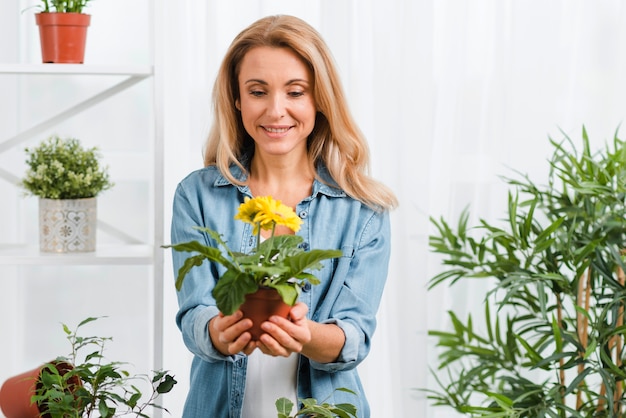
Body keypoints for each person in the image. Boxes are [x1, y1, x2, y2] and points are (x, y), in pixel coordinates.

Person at [170, 14, 398, 418]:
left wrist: (303, 334)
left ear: (319, 100)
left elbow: (354, 336)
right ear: (237, 98)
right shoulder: (198, 195)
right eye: (258, 91)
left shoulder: (363, 209)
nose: (277, 111)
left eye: (295, 92)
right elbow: (195, 312)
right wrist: (218, 334)